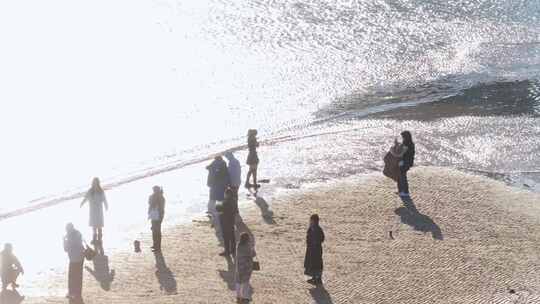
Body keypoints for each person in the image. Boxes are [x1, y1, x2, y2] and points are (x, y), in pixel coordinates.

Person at [80, 177, 109, 244]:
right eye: (94, 182)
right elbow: (86, 197)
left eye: (96, 182)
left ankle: (99, 239)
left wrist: (106, 205)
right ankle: (94, 239)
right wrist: (82, 203)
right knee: (93, 226)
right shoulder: (90, 191)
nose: (95, 184)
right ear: (93, 183)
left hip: (99, 210)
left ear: (98, 183)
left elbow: (104, 199)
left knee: (99, 225)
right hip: (92, 210)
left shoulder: (101, 191)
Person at [206, 156, 230, 234]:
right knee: (220, 202)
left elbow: (209, 176)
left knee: (212, 201)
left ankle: (212, 213)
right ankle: (219, 217)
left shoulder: (213, 165)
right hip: (220, 186)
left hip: (214, 186)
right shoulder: (223, 164)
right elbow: (226, 176)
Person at [389, 131, 415, 197]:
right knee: (399, 177)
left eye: (403, 137)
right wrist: (396, 143)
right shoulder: (408, 143)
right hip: (404, 162)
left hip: (405, 163)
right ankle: (400, 191)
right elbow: (401, 147)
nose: (402, 138)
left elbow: (399, 154)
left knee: (403, 177)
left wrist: (391, 151)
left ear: (405, 137)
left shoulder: (408, 144)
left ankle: (406, 192)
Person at [63, 223, 85, 300]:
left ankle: (72, 293)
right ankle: (78, 293)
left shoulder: (69, 237)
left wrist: (64, 240)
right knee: (79, 276)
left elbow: (66, 249)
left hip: (74, 259)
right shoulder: (78, 233)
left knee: (72, 277)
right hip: (81, 257)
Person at [304, 214, 325, 285]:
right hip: (311, 249)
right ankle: (314, 278)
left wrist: (315, 242)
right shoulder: (311, 228)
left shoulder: (318, 229)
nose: (310, 221)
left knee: (317, 264)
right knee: (312, 264)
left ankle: (318, 279)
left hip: (316, 250)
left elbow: (322, 238)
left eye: (311, 220)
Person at [235, 233, 255, 303]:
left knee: (238, 281)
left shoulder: (238, 245)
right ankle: (245, 297)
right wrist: (252, 247)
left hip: (239, 265)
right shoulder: (248, 246)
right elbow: (253, 254)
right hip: (247, 266)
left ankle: (238, 296)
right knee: (245, 282)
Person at [218, 189, 237, 256]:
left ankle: (227, 251)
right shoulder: (234, 201)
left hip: (225, 222)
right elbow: (235, 211)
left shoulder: (225, 202)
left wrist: (219, 202)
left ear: (227, 194)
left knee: (226, 237)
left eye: (225, 194)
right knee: (232, 236)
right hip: (231, 221)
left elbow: (218, 208)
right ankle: (233, 250)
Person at [148, 186, 166, 252]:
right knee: (154, 230)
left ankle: (157, 246)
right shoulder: (159, 197)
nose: (154, 192)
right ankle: (155, 245)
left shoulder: (160, 198)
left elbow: (153, 205)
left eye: (154, 190)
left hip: (158, 215)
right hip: (155, 214)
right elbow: (150, 204)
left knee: (156, 231)